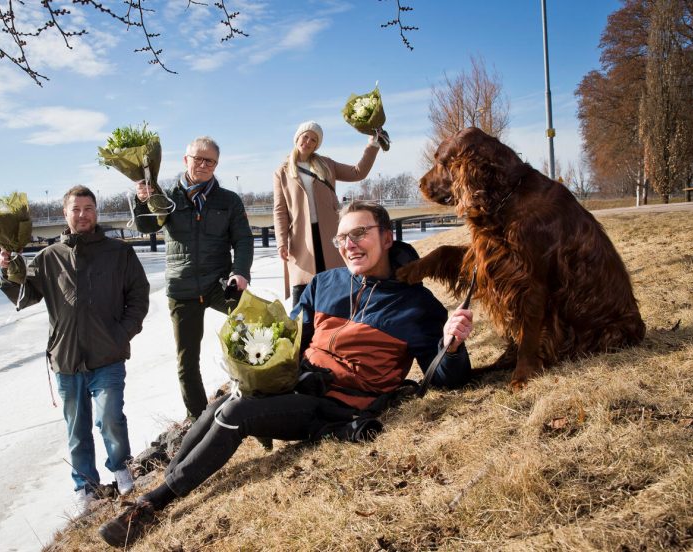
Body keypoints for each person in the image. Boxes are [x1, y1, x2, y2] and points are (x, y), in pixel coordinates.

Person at [98, 200, 474, 547]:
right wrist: (256, 365)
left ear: (388, 237)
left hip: (340, 406)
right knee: (223, 404)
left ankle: (152, 505)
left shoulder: (418, 305)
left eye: (360, 233)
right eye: (342, 237)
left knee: (234, 414)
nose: (350, 244)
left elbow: (446, 381)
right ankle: (155, 496)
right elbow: (289, 340)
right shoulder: (325, 283)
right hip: (299, 384)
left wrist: (451, 345)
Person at [0, 185, 150, 513]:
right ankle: (86, 487)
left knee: (110, 418)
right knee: (77, 430)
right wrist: (7, 271)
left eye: (88, 208)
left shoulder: (119, 253)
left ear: (97, 212)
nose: (82, 215)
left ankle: (121, 469)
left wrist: (122, 334)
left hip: (107, 356)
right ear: (65, 214)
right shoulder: (49, 257)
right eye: (75, 209)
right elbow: (23, 297)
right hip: (65, 360)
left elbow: (139, 296)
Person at [133, 136, 254, 421]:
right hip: (182, 287)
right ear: (185, 159)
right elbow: (147, 227)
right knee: (187, 361)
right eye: (197, 158)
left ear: (216, 164)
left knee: (253, 336)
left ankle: (256, 395)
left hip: (220, 284)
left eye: (209, 160)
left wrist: (241, 272)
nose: (202, 164)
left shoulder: (229, 200)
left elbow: (244, 239)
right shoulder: (166, 197)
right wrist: (143, 202)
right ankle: (199, 419)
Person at [273, 120, 386, 301]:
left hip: (329, 233)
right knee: (302, 294)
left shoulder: (327, 164)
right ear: (297, 138)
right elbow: (280, 211)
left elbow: (358, 172)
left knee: (335, 287)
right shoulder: (282, 172)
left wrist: (372, 145)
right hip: (301, 238)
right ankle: (304, 327)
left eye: (313, 140)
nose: (308, 142)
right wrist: (281, 242)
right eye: (306, 137)